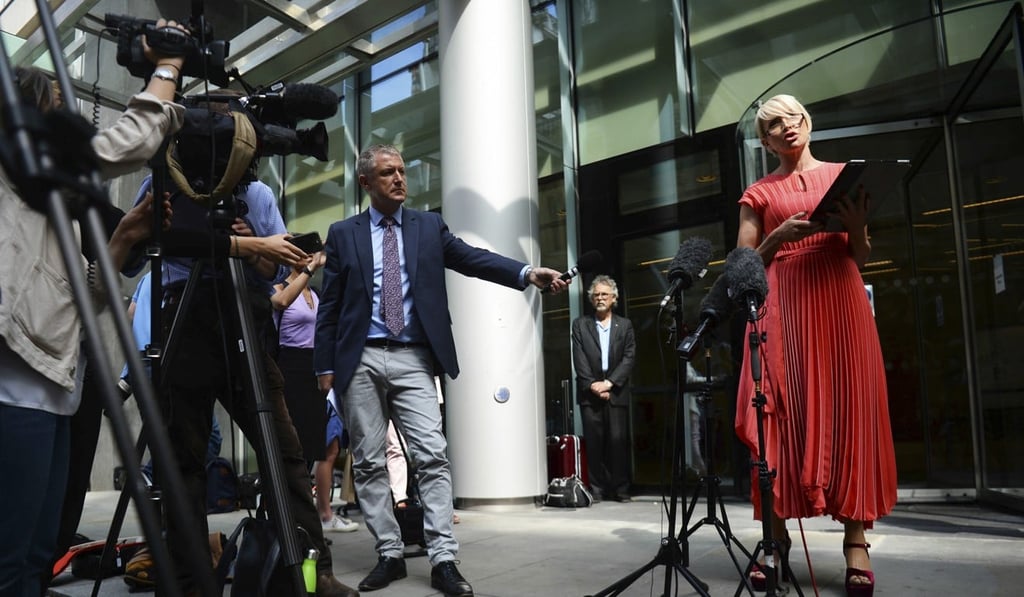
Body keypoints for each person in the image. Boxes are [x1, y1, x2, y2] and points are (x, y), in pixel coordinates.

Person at [314, 144, 568, 596]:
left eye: (402, 171)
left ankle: (443, 558)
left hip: (414, 356)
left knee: (431, 454)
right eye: (387, 173)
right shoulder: (342, 233)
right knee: (370, 462)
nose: (399, 179)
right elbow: (329, 304)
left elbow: (472, 258)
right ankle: (389, 552)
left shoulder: (427, 225)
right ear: (366, 183)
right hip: (361, 358)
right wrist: (324, 367)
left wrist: (526, 273)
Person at [129, 109, 358, 594]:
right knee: (183, 459)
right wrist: (223, 241)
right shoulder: (164, 185)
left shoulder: (256, 196)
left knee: (284, 450)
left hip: (241, 319)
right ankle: (191, 580)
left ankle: (311, 573)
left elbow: (274, 273)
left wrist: (250, 247)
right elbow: (145, 244)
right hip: (185, 320)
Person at [0, 19, 187, 595]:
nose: (67, 122)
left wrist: (125, 238)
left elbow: (84, 289)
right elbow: (126, 141)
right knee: (11, 559)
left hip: (57, 379)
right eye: (54, 109)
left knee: (38, 551)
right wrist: (167, 69)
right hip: (17, 381)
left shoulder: (45, 200)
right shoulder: (17, 168)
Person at [733, 94, 897, 596]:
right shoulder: (758, 192)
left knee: (852, 412)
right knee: (780, 415)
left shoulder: (845, 173)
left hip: (841, 302)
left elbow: (861, 256)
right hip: (783, 306)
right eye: (774, 126)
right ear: (764, 141)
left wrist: (855, 230)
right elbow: (742, 266)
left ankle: (856, 542)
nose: (786, 128)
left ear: (808, 122)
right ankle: (775, 538)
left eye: (793, 119)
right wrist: (777, 236)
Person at [271, 256, 359, 533]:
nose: (311, 258)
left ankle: (315, 517)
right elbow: (281, 303)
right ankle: (292, 517)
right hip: (291, 366)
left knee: (320, 444)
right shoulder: (277, 286)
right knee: (295, 445)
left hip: (316, 367)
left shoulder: (315, 292)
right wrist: (309, 269)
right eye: (304, 253)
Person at [570, 275, 636, 503]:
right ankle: (597, 490)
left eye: (604, 294)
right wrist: (593, 385)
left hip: (616, 391)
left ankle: (620, 489)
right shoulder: (580, 325)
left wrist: (609, 384)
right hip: (590, 394)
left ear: (613, 298)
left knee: (618, 443)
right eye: (596, 294)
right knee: (595, 444)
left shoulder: (625, 325)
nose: (600, 298)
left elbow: (629, 358)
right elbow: (579, 359)